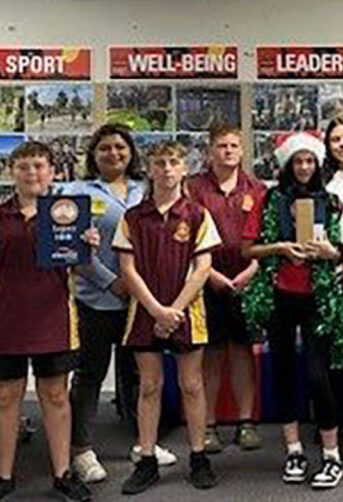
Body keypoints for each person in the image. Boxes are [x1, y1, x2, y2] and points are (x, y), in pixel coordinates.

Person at [241, 133, 343, 490]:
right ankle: (294, 451)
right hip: (279, 297)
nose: (304, 167)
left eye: (309, 161)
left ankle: (332, 456)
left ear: (318, 165)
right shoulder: (269, 199)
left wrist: (329, 252)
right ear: (288, 165)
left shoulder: (332, 202)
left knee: (319, 376)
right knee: (284, 372)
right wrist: (281, 248)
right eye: (298, 161)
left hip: (319, 299)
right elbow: (247, 250)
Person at [113, 141, 221, 494]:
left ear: (184, 168)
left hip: (188, 312)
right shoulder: (133, 217)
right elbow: (127, 269)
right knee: (150, 385)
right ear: (149, 169)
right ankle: (146, 459)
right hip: (145, 312)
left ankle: (199, 456)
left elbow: (203, 268)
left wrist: (174, 310)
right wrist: (157, 310)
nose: (167, 169)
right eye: (159, 163)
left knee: (192, 384)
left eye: (174, 162)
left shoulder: (197, 214)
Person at [63, 125, 168, 484]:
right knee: (89, 375)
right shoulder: (76, 192)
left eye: (120, 147)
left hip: (139, 301)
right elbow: (72, 249)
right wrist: (112, 282)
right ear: (93, 154)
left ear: (131, 152)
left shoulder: (145, 189)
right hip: (96, 298)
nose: (113, 154)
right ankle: (81, 450)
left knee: (137, 374)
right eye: (105, 148)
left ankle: (144, 443)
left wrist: (139, 287)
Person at [0, 142, 95, 502]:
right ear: (12, 172)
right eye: (23, 166)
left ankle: (62, 474)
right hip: (6, 317)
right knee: (6, 396)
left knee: (55, 395)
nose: (31, 173)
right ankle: (4, 475)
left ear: (53, 171)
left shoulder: (66, 214)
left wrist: (87, 246)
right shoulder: (1, 215)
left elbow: (80, 267)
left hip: (53, 315)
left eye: (39, 166)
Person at [187, 126, 266, 454]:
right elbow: (187, 235)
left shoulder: (257, 189)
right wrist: (209, 274)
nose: (229, 151)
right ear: (210, 151)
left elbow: (266, 236)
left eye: (234, 145)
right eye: (222, 146)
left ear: (243, 150)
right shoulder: (193, 188)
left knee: (243, 351)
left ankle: (246, 423)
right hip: (207, 279)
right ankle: (208, 425)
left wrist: (253, 270)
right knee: (213, 353)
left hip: (248, 279)